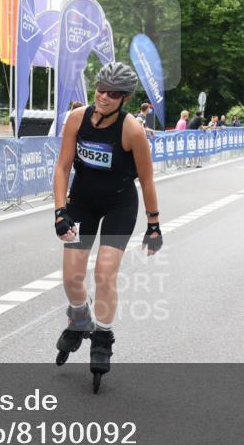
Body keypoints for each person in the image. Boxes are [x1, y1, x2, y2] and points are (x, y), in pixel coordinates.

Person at [52, 62, 164, 393]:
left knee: (104, 273)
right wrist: (60, 210)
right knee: (72, 278)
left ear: (124, 99)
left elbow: (146, 180)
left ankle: (102, 335)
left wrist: (154, 224)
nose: (103, 96)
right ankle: (80, 317)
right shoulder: (78, 118)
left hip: (119, 204)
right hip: (83, 201)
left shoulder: (132, 131)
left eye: (113, 93)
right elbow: (62, 167)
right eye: (100, 89)